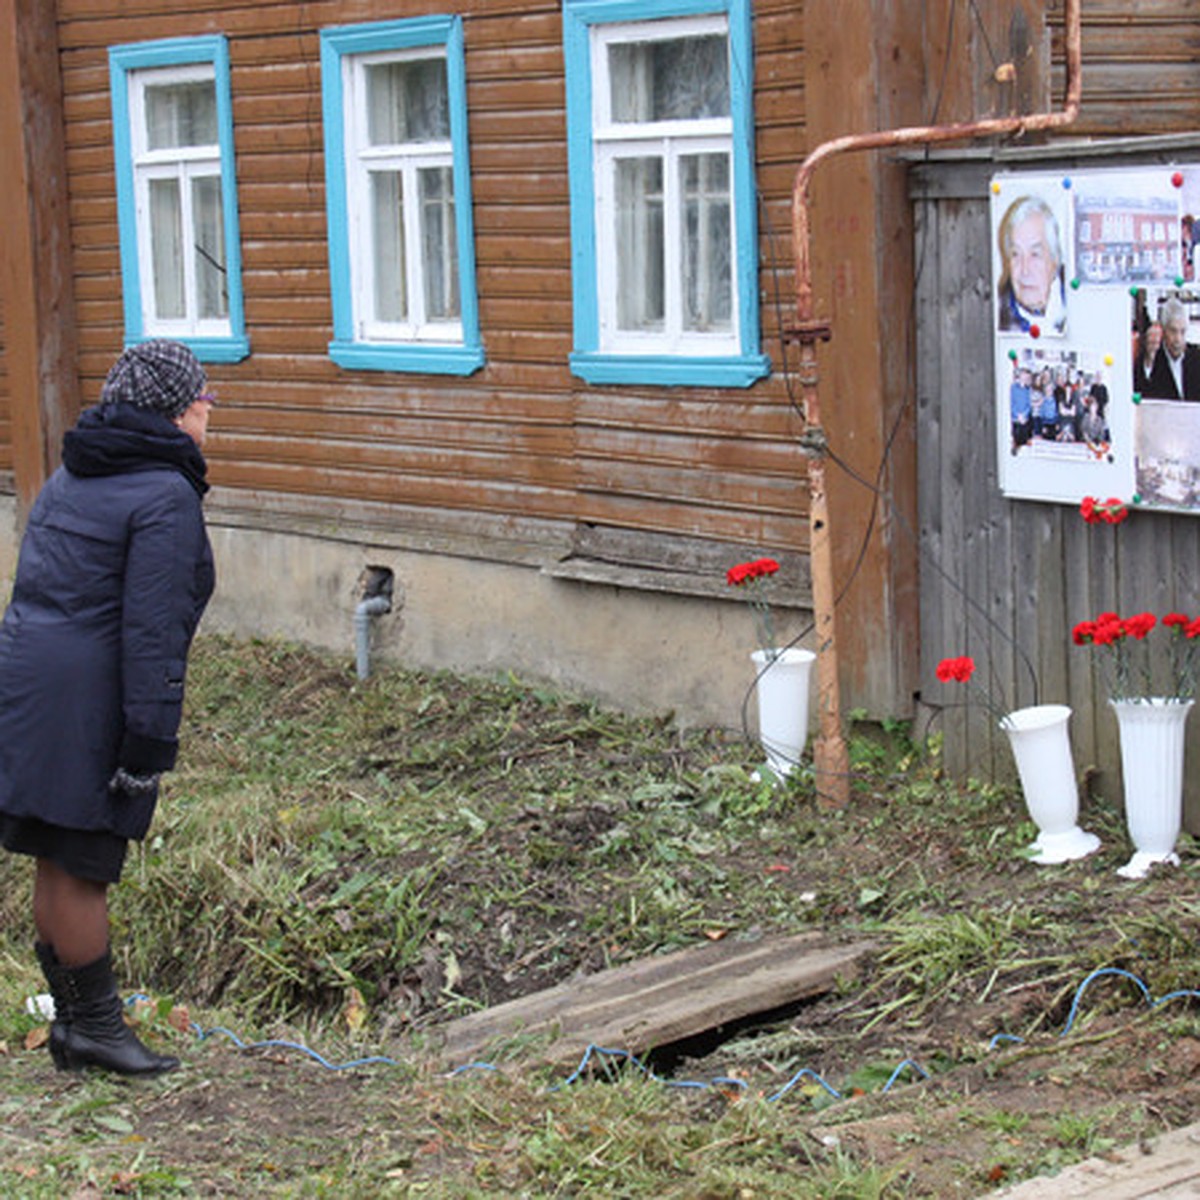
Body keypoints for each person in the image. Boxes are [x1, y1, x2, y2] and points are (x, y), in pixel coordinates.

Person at [0, 340, 215, 1076]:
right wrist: (147, 743)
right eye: (204, 399)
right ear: (179, 410)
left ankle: (73, 1025)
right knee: (84, 860)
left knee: (55, 857)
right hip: (89, 697)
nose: (210, 412)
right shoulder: (163, 493)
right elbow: (153, 630)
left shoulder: (74, 471)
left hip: (31, 681)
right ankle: (94, 1027)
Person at [996, 195, 1068, 334]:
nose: (1025, 270)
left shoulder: (1079, 297)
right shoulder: (998, 310)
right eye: (1015, 254)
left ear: (1055, 260)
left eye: (1035, 255)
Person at [1143, 296, 1200, 401]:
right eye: (1173, 331)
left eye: (1182, 332)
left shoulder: (1196, 357)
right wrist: (1150, 360)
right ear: (1163, 331)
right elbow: (1145, 394)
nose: (1178, 339)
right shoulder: (1153, 359)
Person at [1134, 321, 1163, 393]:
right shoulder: (1138, 364)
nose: (1153, 346)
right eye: (1151, 342)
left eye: (1156, 343)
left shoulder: (1165, 365)